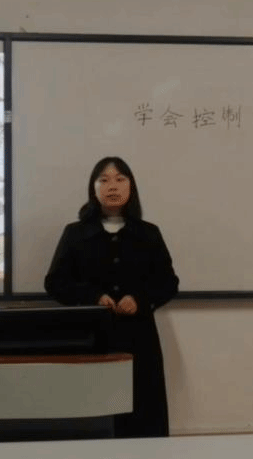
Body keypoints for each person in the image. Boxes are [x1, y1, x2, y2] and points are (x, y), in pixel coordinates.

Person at [44, 156, 179, 438]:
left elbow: (168, 282)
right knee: (96, 414)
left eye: (120, 179)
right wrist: (92, 297)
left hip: (139, 338)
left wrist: (140, 299)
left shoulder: (148, 233)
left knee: (142, 413)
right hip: (91, 338)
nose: (112, 186)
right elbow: (55, 282)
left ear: (131, 186)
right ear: (93, 188)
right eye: (103, 180)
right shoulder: (75, 233)